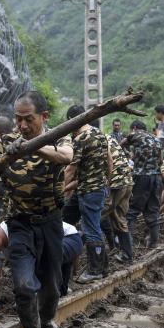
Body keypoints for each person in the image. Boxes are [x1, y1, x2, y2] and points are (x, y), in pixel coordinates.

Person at [0, 90, 73, 328]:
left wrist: (32, 146)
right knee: (23, 284)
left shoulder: (59, 137)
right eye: (18, 120)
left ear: (43, 117)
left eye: (28, 120)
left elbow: (66, 157)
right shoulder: (8, 141)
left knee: (51, 283)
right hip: (19, 224)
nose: (21, 126)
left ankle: (46, 322)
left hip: (50, 222)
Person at [0, 221, 83, 312]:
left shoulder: (15, 227)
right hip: (50, 254)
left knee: (34, 260)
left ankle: (39, 295)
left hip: (68, 239)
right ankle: (57, 287)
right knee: (60, 292)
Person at [64, 105, 112, 284]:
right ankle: (103, 267)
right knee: (65, 218)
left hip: (89, 192)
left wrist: (59, 189)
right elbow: (109, 161)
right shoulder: (100, 135)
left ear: (73, 120)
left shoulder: (80, 138)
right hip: (92, 189)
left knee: (91, 229)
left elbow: (70, 169)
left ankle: (95, 271)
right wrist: (105, 182)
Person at [121, 120, 163, 248]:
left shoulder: (135, 134)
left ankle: (128, 248)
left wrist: (126, 158)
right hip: (156, 177)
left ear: (134, 128)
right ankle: (154, 243)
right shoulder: (156, 139)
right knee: (153, 210)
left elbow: (119, 145)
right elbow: (161, 159)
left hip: (142, 177)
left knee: (131, 211)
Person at [103, 138, 134, 263]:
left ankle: (97, 262)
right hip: (127, 181)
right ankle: (127, 255)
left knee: (95, 218)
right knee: (119, 218)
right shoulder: (109, 138)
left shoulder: (90, 138)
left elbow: (109, 162)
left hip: (116, 183)